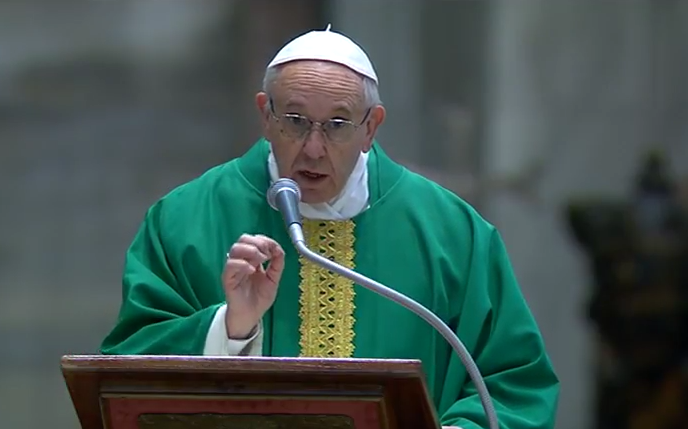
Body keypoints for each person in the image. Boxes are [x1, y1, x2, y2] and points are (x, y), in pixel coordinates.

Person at [100, 25, 559, 429]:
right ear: (265, 115)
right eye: (295, 121)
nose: (314, 149)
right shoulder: (184, 220)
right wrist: (231, 327)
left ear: (371, 127)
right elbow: (125, 375)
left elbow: (512, 382)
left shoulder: (453, 234)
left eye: (337, 124)